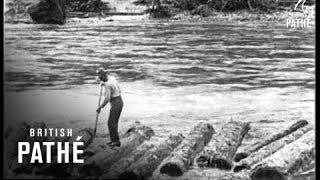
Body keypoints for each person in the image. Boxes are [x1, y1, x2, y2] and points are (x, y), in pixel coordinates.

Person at [96, 67, 123, 147]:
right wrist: (102, 83)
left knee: (111, 123)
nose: (100, 79)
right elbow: (117, 88)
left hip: (116, 103)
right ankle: (114, 140)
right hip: (119, 101)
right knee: (114, 122)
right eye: (99, 78)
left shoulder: (107, 84)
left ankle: (116, 142)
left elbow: (107, 99)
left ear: (105, 75)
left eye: (101, 77)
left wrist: (100, 107)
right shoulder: (112, 78)